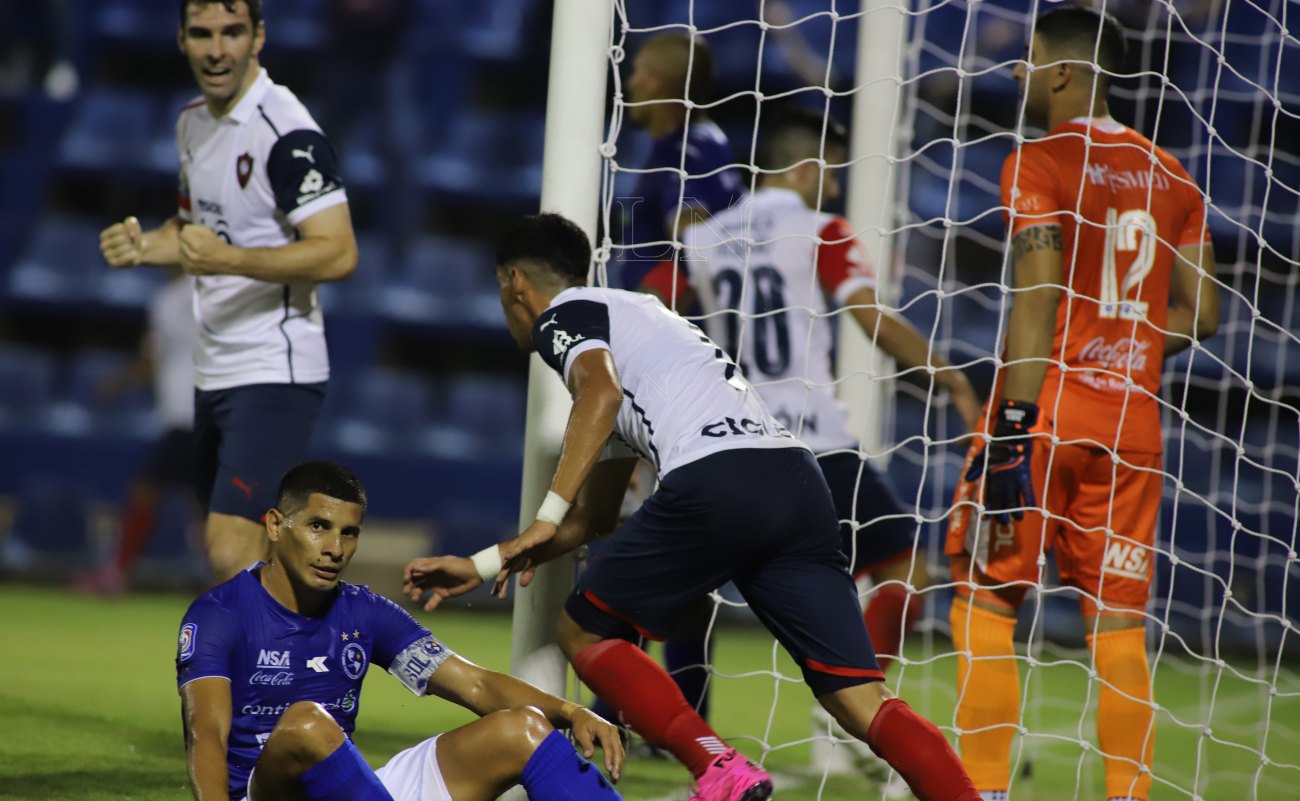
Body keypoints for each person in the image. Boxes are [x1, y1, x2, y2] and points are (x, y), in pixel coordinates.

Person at [403, 213, 981, 801]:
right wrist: (480, 564)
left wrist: (544, 515)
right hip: (797, 479)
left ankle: (716, 766)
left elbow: (598, 395)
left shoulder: (568, 316)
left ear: (514, 282)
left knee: (583, 629)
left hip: (718, 475)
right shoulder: (642, 327)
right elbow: (597, 520)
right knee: (860, 700)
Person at [945, 8, 1218, 801]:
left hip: (1047, 411)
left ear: (1063, 71)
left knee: (986, 600)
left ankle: (986, 791)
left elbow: (1036, 300)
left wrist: (1012, 431)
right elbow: (1202, 315)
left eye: (1027, 60)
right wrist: (1123, 341)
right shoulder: (1175, 174)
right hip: (1132, 425)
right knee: (1120, 627)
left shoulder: (1038, 161)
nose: (1020, 73)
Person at [642, 107, 982, 675]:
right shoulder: (821, 229)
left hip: (728, 438)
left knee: (674, 583)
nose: (833, 187)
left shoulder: (699, 239)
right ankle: (856, 699)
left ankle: (630, 711)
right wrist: (948, 376)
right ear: (802, 170)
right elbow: (870, 317)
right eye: (829, 175)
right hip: (811, 440)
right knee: (905, 567)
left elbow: (653, 310)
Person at [176, 460, 626, 801]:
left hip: (353, 789)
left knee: (523, 728)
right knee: (305, 723)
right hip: (267, 793)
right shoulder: (219, 613)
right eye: (319, 527)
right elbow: (206, 734)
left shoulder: (364, 611)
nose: (334, 549)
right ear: (276, 525)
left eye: (349, 533)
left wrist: (572, 712)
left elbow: (474, 683)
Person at [99, 0, 358, 582]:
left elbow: (339, 251)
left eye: (232, 32)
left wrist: (230, 259)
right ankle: (308, 664)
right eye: (203, 33)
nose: (217, 48)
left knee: (229, 547)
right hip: (211, 369)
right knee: (250, 557)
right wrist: (146, 246)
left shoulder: (286, 133)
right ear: (183, 40)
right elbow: (194, 232)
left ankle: (306, 659)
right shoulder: (192, 122)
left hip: (273, 365)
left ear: (258, 37)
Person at [615, 30, 747, 724]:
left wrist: (640, 327)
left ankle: (662, 714)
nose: (629, 78)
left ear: (665, 81)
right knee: (657, 551)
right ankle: (664, 713)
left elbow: (696, 255)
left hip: (669, 375)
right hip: (659, 367)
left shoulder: (696, 151)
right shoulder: (672, 152)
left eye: (638, 68)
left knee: (655, 550)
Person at [75, 268, 200, 595]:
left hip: (204, 412)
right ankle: (230, 583)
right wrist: (122, 380)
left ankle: (116, 573)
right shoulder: (165, 299)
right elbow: (153, 358)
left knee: (167, 496)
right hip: (181, 417)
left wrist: (120, 381)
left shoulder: (208, 289)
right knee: (196, 503)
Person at [617, 31, 745, 292]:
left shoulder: (681, 155)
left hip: (677, 324)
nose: (630, 83)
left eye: (637, 71)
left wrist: (649, 307)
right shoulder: (708, 141)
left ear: (656, 83)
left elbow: (692, 239)